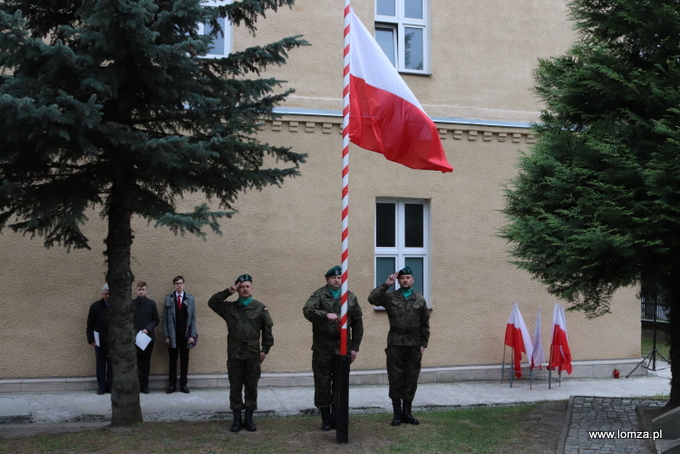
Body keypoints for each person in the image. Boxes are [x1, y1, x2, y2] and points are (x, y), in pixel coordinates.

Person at [208, 274, 274, 432]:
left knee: (251, 387)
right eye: (241, 286)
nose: (245, 289)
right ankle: (237, 419)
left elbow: (267, 331)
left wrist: (265, 350)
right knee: (235, 387)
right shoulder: (229, 308)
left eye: (247, 286)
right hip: (235, 355)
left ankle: (249, 418)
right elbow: (212, 302)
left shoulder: (260, 308)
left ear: (251, 288)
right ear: (238, 288)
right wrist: (229, 290)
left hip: (253, 355)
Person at [303, 266, 363, 431]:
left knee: (340, 382)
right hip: (323, 347)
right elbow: (307, 311)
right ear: (327, 279)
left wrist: (354, 347)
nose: (337, 280)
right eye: (333, 278)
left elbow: (357, 323)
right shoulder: (319, 295)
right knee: (322, 382)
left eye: (339, 278)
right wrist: (324, 314)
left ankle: (338, 416)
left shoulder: (350, 297)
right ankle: (326, 418)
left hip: (343, 346)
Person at [368, 267, 430, 426]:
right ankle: (396, 414)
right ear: (399, 280)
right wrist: (387, 284)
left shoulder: (420, 299)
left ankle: (407, 413)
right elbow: (372, 299)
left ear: (413, 280)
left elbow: (425, 324)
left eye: (408, 277)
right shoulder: (390, 298)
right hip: (395, 343)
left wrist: (424, 344)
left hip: (414, 343)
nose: (405, 280)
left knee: (411, 377)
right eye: (402, 278)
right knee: (395, 377)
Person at [162, 275, 197, 394]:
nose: (179, 285)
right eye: (176, 283)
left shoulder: (190, 299)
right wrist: (166, 335)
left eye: (181, 283)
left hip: (185, 335)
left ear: (184, 285)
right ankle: (172, 385)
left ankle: (183, 384)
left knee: (184, 360)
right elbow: (165, 319)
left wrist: (192, 335)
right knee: (172, 360)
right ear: (173, 285)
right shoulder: (169, 298)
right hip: (173, 335)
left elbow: (193, 318)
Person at [133, 281, 159, 394]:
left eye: (143, 289)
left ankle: (145, 385)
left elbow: (156, 320)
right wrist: (135, 332)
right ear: (136, 290)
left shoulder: (151, 304)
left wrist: (147, 329)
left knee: (146, 362)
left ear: (146, 290)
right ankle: (137, 385)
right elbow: (127, 320)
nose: (141, 291)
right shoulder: (131, 303)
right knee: (137, 362)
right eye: (139, 289)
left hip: (148, 338)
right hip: (135, 338)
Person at [86, 284, 112, 395]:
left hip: (112, 341)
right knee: (100, 365)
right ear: (101, 294)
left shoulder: (115, 306)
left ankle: (111, 386)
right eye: (105, 294)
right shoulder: (95, 306)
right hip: (99, 341)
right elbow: (90, 324)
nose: (107, 296)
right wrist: (91, 339)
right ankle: (101, 386)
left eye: (109, 294)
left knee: (111, 365)